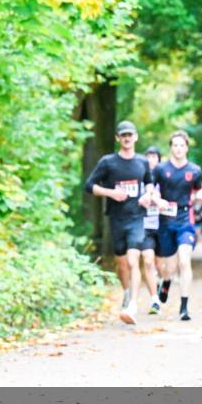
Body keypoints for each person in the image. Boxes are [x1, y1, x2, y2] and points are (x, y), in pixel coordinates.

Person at [84, 121, 156, 325]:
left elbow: (149, 182)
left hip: (137, 218)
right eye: (123, 135)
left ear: (136, 137)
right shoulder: (108, 162)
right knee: (121, 263)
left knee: (134, 260)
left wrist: (148, 195)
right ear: (117, 138)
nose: (126, 138)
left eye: (130, 135)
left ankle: (132, 305)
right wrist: (111, 193)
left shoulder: (142, 162)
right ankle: (126, 292)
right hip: (116, 219)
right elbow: (89, 186)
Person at [153, 131, 202, 320]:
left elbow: (201, 190)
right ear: (170, 147)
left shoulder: (194, 170)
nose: (178, 149)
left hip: (186, 219)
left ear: (187, 148)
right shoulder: (160, 169)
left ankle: (184, 308)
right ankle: (166, 282)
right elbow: (151, 190)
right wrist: (156, 200)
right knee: (170, 267)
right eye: (174, 145)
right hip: (166, 220)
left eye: (181, 145)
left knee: (184, 260)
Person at [139, 145, 163, 314]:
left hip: (163, 224)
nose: (151, 160)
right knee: (148, 260)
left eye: (154, 157)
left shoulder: (166, 178)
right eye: (148, 156)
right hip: (145, 224)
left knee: (161, 265)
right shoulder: (139, 178)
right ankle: (155, 300)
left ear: (159, 160)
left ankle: (162, 281)